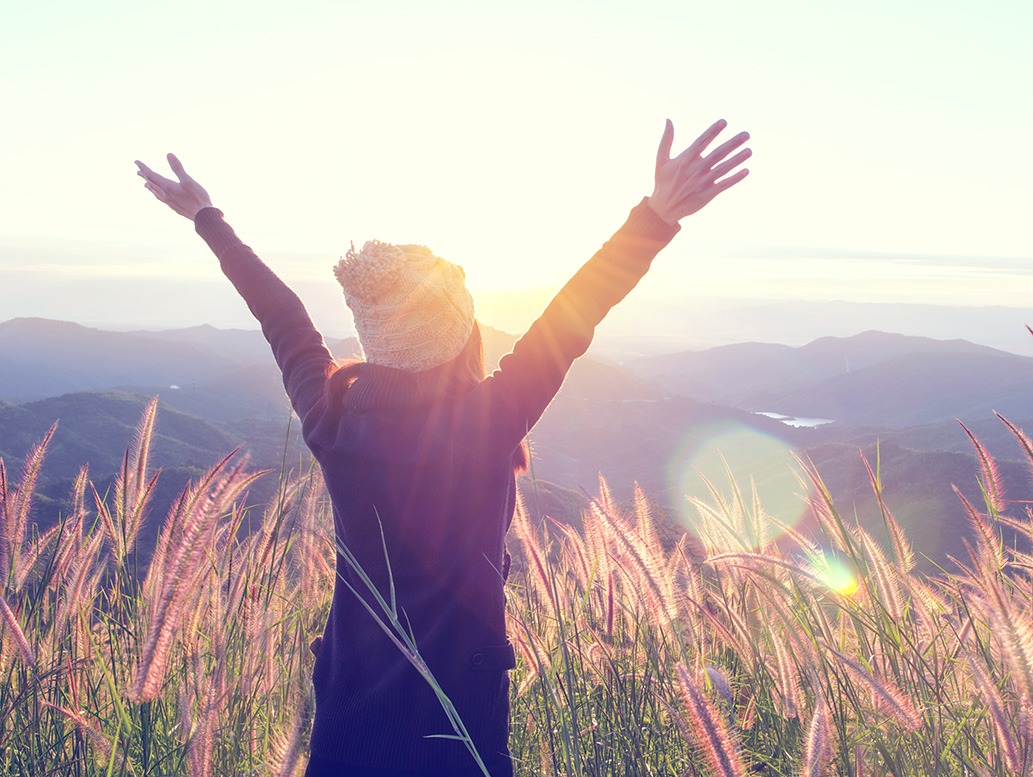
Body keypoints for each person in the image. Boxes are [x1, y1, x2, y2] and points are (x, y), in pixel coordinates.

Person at [135, 119, 751, 776]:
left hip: (349, 723)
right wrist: (655, 216)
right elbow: (573, 315)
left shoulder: (331, 418)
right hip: (457, 730)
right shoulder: (484, 423)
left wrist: (206, 216)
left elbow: (281, 316)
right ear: (461, 332)